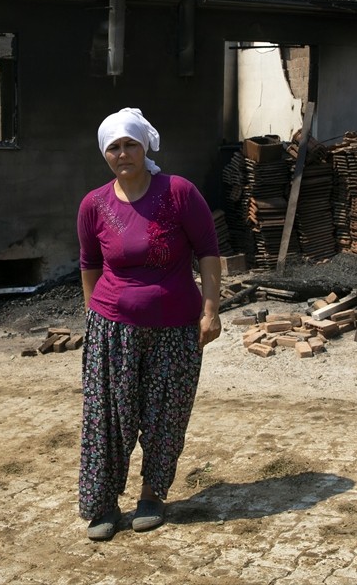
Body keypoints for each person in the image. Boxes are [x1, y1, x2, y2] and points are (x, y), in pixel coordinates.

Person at [76, 107, 222, 541]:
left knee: (166, 413)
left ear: (145, 147)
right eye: (114, 147)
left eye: (130, 144)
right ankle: (103, 503)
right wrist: (94, 316)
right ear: (106, 154)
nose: (123, 154)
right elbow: (88, 264)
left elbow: (209, 251)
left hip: (177, 325)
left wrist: (211, 309)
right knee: (107, 416)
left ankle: (152, 495)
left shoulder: (178, 193)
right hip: (112, 327)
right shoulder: (94, 204)